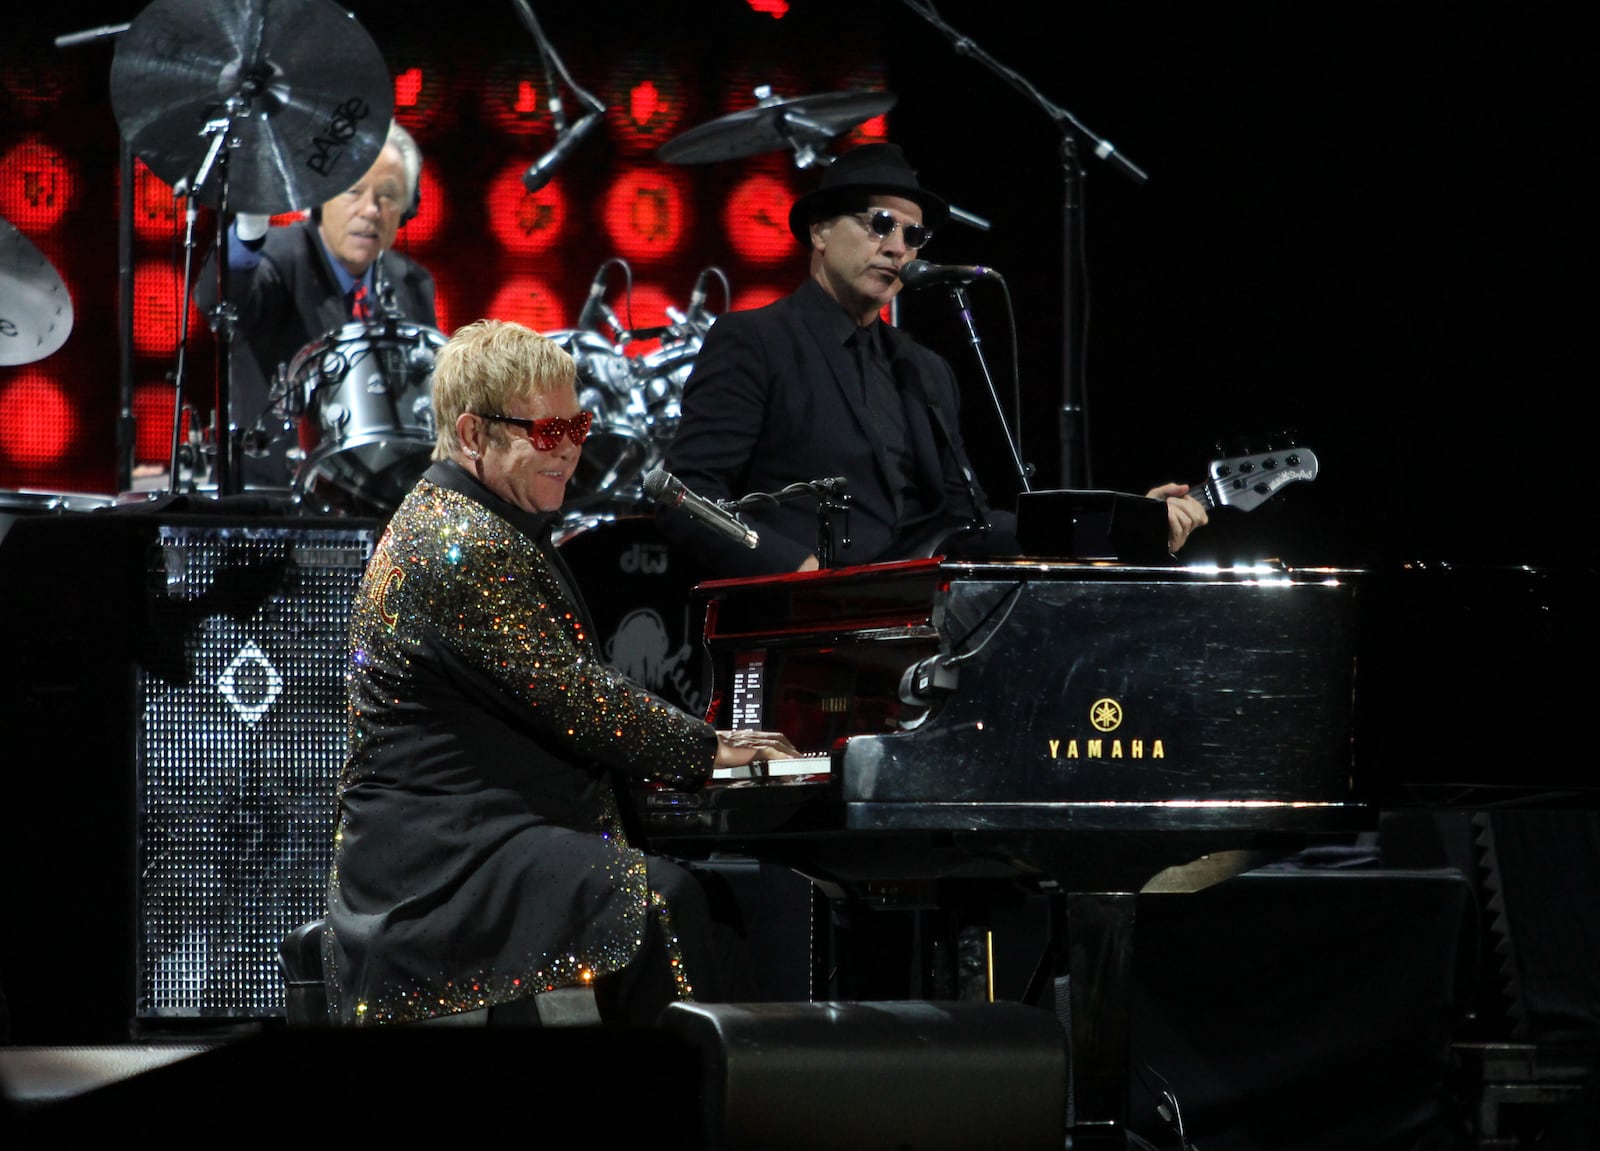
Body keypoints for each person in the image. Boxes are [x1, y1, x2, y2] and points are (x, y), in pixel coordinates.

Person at [321, 318, 796, 1027]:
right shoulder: (456, 542)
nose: (572, 448)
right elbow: (577, 698)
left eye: (579, 424)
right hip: (439, 864)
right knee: (664, 900)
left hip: (482, 832)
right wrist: (712, 747)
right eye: (547, 433)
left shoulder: (483, 522)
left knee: (707, 890)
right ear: (474, 435)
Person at [657, 142, 1207, 577]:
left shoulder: (925, 369)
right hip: (800, 628)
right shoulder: (755, 340)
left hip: (919, 632)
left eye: (913, 234)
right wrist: (797, 569)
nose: (898, 246)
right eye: (879, 224)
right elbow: (686, 497)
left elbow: (966, 524)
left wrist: (1122, 523)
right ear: (820, 231)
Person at [194, 120, 438, 491]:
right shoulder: (275, 259)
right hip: (273, 502)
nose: (371, 210)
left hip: (379, 504)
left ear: (408, 208)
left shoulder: (412, 281)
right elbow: (220, 301)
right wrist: (249, 230)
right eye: (354, 191)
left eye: (388, 195)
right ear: (319, 200)